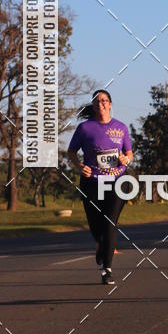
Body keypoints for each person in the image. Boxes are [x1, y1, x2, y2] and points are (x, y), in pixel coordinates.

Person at [68, 89, 133, 285]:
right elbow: (71, 152)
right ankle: (101, 244)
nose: (101, 103)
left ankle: (107, 269)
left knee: (109, 223)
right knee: (96, 226)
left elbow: (129, 153)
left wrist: (126, 159)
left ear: (110, 104)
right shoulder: (84, 128)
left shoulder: (121, 127)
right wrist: (80, 166)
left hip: (117, 181)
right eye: (97, 101)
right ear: (94, 105)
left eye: (104, 100)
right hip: (92, 182)